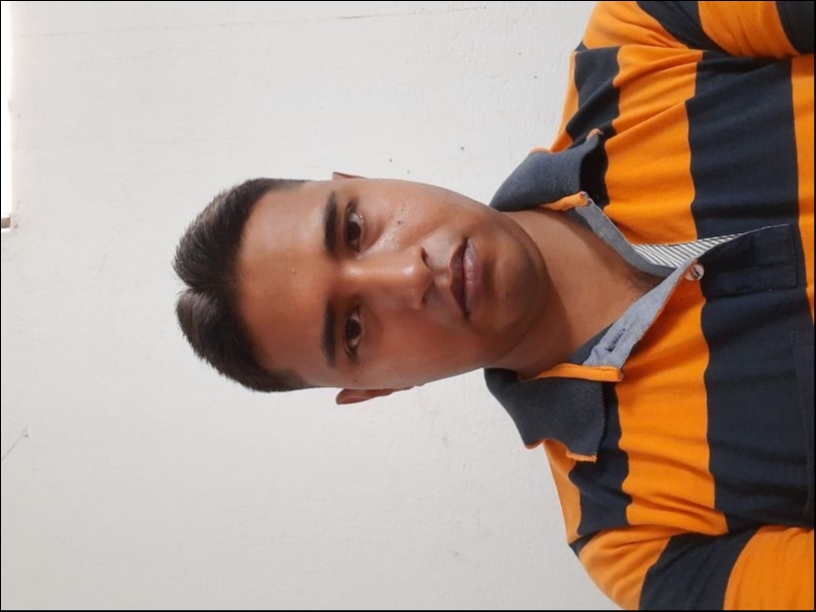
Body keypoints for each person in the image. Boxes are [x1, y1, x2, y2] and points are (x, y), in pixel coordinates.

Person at [173, 2, 814, 609]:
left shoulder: (641, 37)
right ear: (377, 389)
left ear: (361, 181)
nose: (408, 274)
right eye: (354, 328)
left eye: (353, 229)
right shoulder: (639, 541)